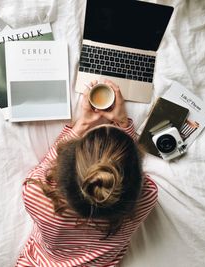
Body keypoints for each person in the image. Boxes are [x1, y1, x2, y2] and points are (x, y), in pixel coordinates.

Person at [16, 80, 158, 267]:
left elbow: (46, 166)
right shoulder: (147, 197)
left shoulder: (35, 194)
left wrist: (82, 124)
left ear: (66, 164)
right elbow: (136, 177)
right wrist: (123, 122)